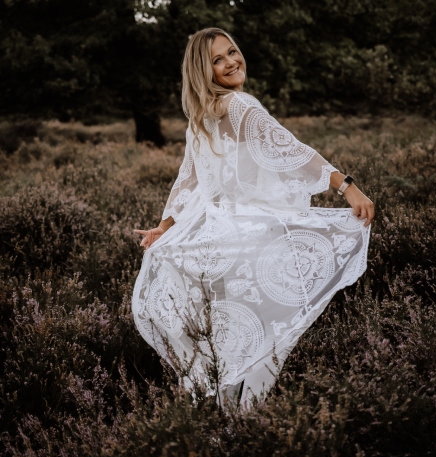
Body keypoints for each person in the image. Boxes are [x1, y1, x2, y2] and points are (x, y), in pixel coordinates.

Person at [132, 27, 374, 406]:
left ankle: (227, 427)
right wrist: (347, 185)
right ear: (203, 71)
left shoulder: (201, 116)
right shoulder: (240, 105)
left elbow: (187, 180)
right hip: (253, 236)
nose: (231, 62)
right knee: (273, 334)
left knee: (232, 336)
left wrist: (165, 227)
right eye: (218, 59)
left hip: (218, 242)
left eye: (232, 52)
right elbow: (292, 149)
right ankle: (247, 422)